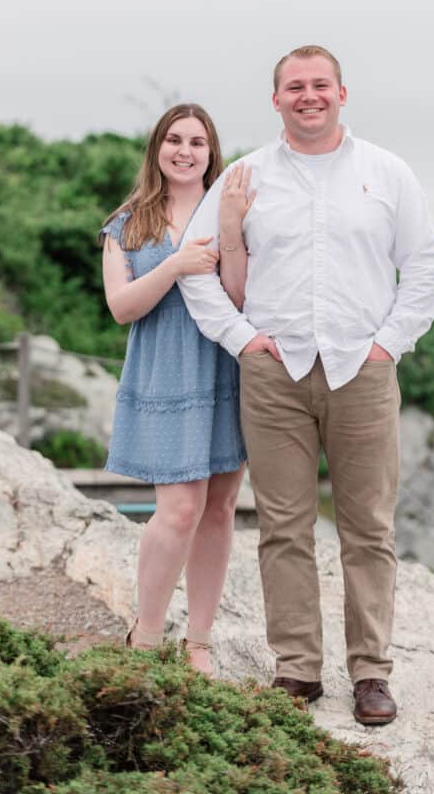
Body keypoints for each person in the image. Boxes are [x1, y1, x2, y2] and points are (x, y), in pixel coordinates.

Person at [178, 46, 434, 724]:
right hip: (275, 374)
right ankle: (297, 670)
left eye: (319, 85)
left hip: (364, 371)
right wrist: (243, 341)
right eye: (294, 87)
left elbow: (423, 269)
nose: (308, 96)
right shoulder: (242, 176)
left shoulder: (387, 173)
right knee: (283, 527)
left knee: (369, 528)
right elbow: (196, 270)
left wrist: (389, 345)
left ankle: (371, 674)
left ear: (341, 93)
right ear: (276, 100)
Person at [100, 103, 253, 675]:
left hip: (224, 369)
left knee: (219, 510)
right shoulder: (128, 222)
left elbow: (240, 298)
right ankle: (145, 634)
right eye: (174, 139)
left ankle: (199, 642)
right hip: (164, 371)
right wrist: (175, 266)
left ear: (211, 151)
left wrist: (233, 233)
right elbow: (121, 308)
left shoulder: (227, 211)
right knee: (180, 509)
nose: (185, 151)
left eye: (197, 142)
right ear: (157, 149)